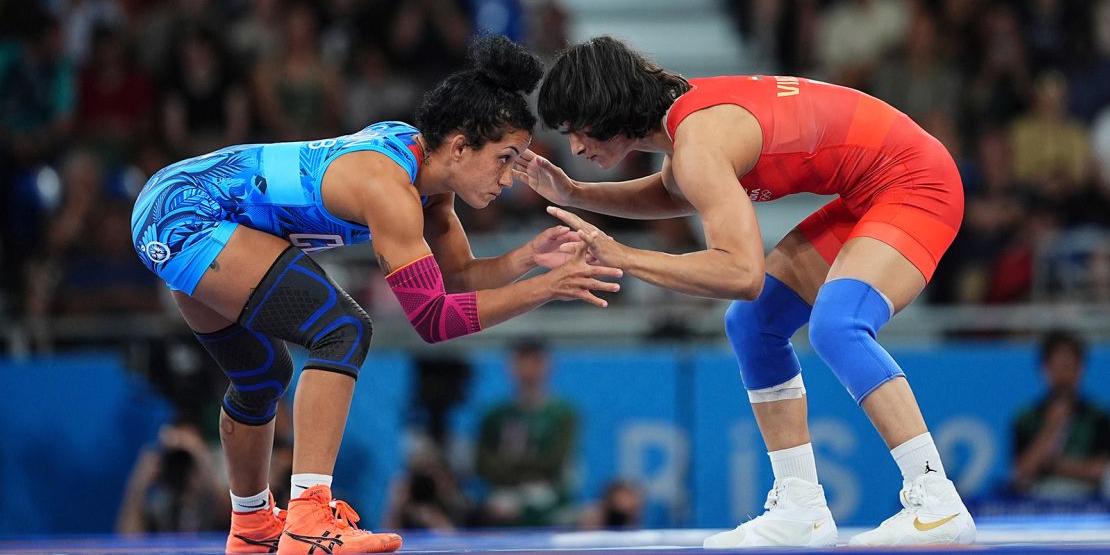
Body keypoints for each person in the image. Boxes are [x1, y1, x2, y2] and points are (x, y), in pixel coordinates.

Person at [130, 35, 622, 555]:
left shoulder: (426, 179)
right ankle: (308, 513)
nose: (510, 179)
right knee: (340, 330)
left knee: (262, 376)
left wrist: (526, 261)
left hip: (180, 207)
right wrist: (549, 288)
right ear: (459, 146)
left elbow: (456, 280)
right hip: (185, 212)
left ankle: (252, 526)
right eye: (505, 159)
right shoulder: (390, 189)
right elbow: (434, 321)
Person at [515, 36, 975, 547]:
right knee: (754, 324)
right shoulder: (686, 130)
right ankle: (801, 507)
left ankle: (937, 499)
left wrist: (624, 257)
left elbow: (741, 274)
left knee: (838, 326)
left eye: (579, 130)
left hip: (916, 184)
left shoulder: (698, 144)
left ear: (608, 111)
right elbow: (674, 192)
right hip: (873, 188)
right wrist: (575, 194)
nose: (576, 147)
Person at [474, 338, 578, 527]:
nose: (528, 369)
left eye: (535, 361)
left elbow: (555, 460)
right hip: (502, 491)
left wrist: (512, 466)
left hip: (547, 492)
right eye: (521, 361)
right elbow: (482, 462)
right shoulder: (495, 415)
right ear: (510, 366)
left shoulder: (562, 415)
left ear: (547, 365)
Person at [1012, 330, 1110, 501]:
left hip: (1088, 501)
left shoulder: (1097, 416)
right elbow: (1021, 473)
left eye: (1069, 367)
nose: (1064, 375)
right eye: (1058, 367)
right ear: (1045, 369)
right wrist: (1051, 427)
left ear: (1081, 368)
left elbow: (1101, 470)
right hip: (1039, 501)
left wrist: (1054, 465)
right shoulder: (1027, 417)